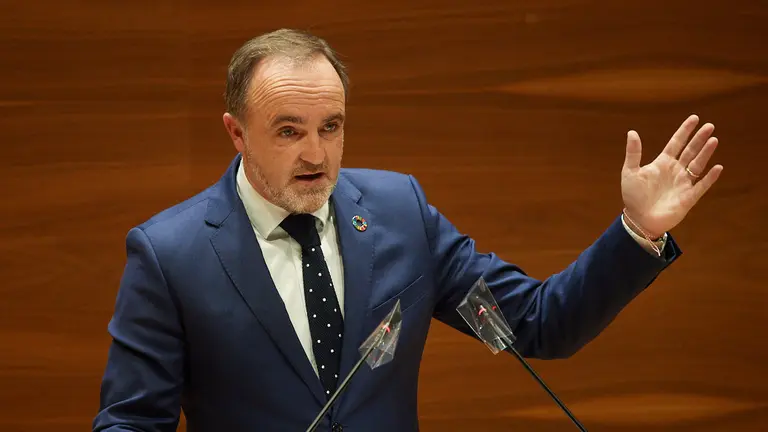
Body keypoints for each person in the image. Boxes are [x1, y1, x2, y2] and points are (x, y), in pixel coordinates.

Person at [92, 28, 723, 432]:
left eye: (331, 127)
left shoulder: (400, 213)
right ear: (235, 131)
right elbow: (129, 424)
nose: (316, 154)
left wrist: (636, 229)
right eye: (289, 130)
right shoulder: (170, 253)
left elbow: (536, 323)